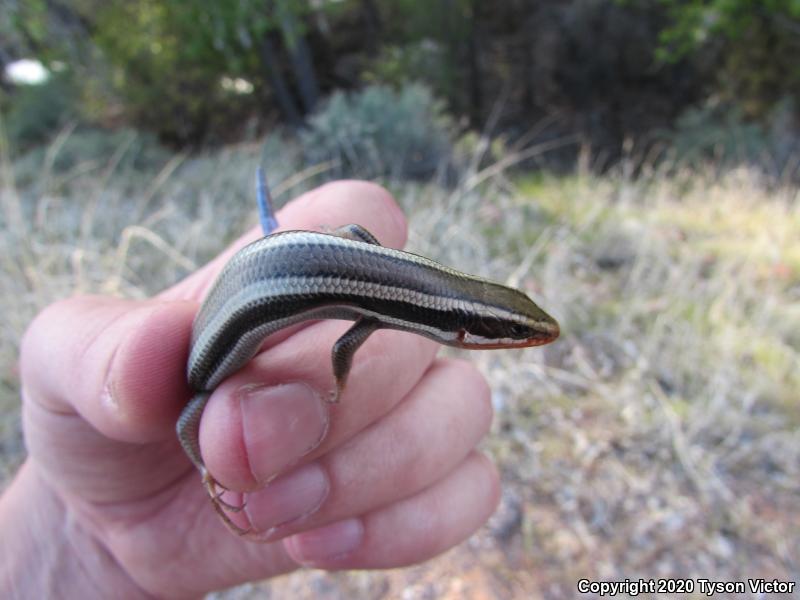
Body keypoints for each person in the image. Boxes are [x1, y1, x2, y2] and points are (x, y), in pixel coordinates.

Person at [0, 181, 499, 598]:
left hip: (262, 278)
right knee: (191, 420)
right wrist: (334, 388)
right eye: (510, 332)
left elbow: (351, 236)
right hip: (206, 363)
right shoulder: (374, 316)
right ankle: (204, 470)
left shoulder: (375, 296)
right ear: (460, 330)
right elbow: (339, 351)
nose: (518, 341)